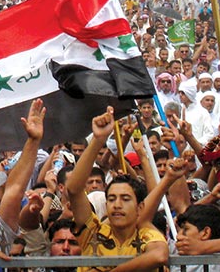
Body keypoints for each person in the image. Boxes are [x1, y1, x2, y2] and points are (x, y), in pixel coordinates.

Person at [67, 107, 168, 272]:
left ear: (140, 207)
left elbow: (159, 256)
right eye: (112, 199)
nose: (117, 205)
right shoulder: (92, 233)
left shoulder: (145, 235)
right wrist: (98, 140)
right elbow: (74, 190)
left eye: (126, 199)